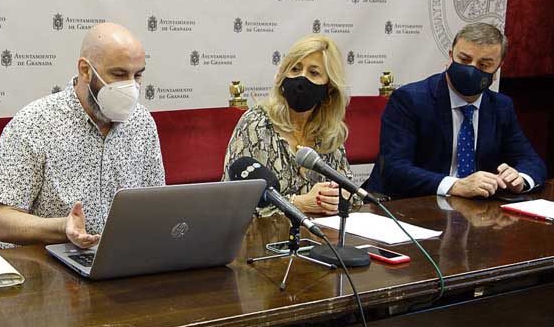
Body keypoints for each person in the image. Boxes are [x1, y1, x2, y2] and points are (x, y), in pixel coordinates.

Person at [0, 23, 165, 248]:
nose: (130, 86)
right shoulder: (33, 123)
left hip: (123, 260)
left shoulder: (142, 122)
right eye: (119, 74)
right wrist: (63, 227)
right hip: (51, 266)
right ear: (85, 70)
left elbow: (156, 205)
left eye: (137, 75)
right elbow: (3, 221)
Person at [365, 23, 546, 199]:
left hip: (472, 212)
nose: (471, 70)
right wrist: (456, 185)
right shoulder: (410, 100)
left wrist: (520, 179)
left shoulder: (500, 106)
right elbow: (394, 169)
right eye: (465, 60)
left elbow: (532, 162)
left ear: (497, 70)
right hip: (410, 205)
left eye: (484, 65)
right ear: (451, 57)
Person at [222, 35, 352, 215]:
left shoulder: (329, 132)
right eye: (295, 69)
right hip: (263, 239)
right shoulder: (256, 124)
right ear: (283, 76)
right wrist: (298, 203)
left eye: (313, 73)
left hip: (319, 236)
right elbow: (233, 204)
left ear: (328, 88)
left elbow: (350, 193)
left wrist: (339, 198)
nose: (301, 79)